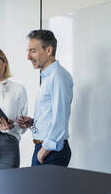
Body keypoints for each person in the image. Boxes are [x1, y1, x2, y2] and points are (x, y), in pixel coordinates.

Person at [17, 29, 73, 167]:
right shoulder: (49, 78)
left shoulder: (58, 77)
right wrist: (33, 122)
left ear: (48, 50)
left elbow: (60, 118)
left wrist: (43, 151)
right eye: (28, 51)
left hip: (51, 151)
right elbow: (51, 115)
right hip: (45, 148)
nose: (28, 56)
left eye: (33, 51)